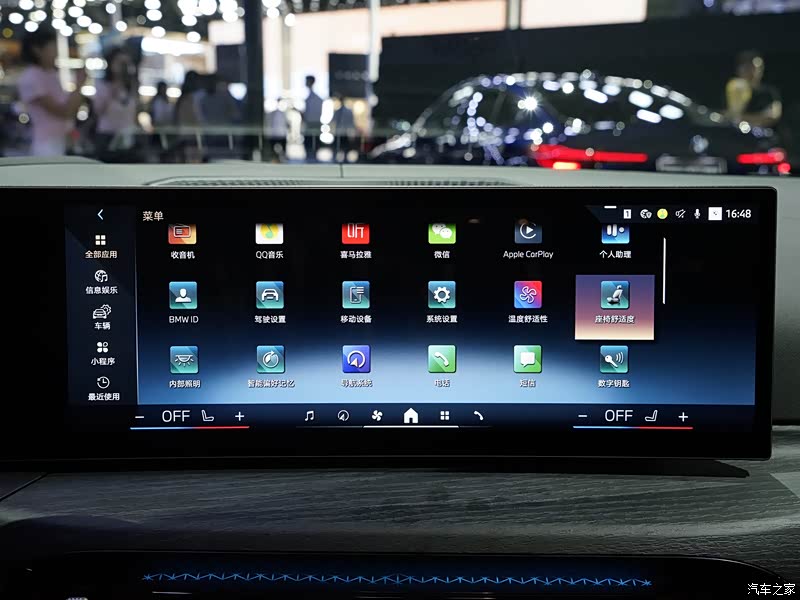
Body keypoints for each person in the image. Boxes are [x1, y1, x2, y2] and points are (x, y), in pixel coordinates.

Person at [17, 27, 86, 156]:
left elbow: (70, 110)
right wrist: (78, 85)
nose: (56, 51)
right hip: (48, 144)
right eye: (52, 47)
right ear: (37, 50)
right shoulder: (31, 77)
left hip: (63, 140)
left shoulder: (50, 74)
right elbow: (64, 111)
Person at [93, 47, 139, 160]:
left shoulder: (131, 86)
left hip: (127, 137)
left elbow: (134, 112)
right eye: (119, 62)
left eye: (126, 63)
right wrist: (111, 92)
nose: (123, 67)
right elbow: (98, 110)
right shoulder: (103, 85)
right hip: (107, 136)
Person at [725, 51, 782, 128]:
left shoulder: (769, 92)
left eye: (754, 67)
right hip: (734, 133)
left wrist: (741, 118)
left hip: (762, 133)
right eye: (746, 67)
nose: (750, 71)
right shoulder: (730, 90)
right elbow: (724, 115)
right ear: (738, 69)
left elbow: (773, 116)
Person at [302, 75, 323, 161]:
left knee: (311, 148)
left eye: (307, 81)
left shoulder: (315, 99)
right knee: (311, 148)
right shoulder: (313, 98)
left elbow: (310, 116)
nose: (305, 83)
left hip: (313, 125)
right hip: (313, 124)